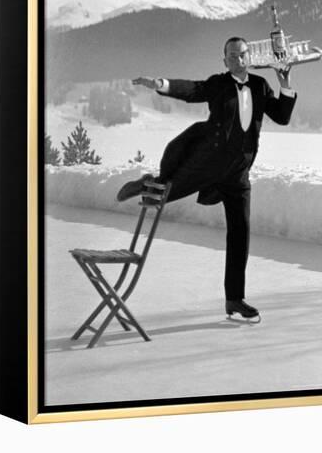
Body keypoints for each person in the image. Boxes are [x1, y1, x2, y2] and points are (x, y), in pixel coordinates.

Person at [117, 37, 297, 320]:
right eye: (231, 56)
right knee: (166, 192)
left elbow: (282, 117)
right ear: (224, 61)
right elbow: (193, 90)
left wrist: (285, 83)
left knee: (240, 234)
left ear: (249, 57)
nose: (237, 60)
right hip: (209, 162)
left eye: (242, 55)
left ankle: (235, 299)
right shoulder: (219, 83)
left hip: (239, 172)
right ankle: (147, 182)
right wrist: (161, 84)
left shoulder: (261, 86)